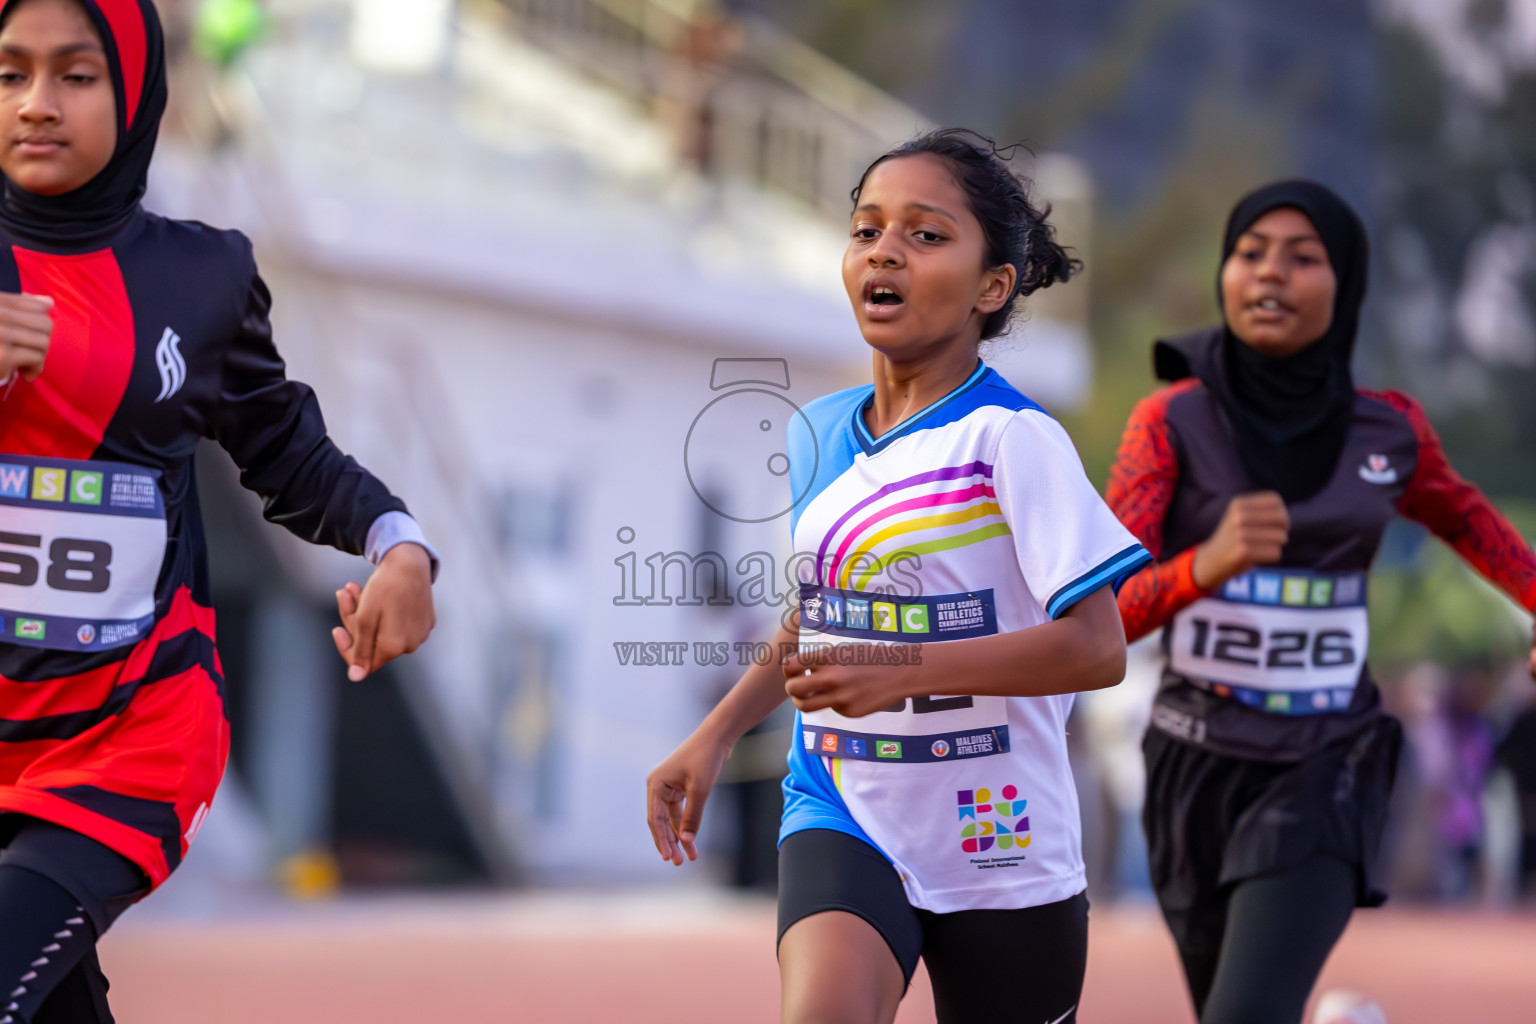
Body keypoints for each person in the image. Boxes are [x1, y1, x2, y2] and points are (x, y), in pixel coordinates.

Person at [646, 128, 1150, 1024]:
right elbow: (821, 614)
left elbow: (1097, 646)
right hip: (842, 806)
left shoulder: (1012, 440)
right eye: (867, 228)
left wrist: (906, 670)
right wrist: (720, 732)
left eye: (925, 234)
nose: (884, 249)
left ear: (992, 286)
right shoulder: (816, 434)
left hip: (1001, 838)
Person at [0, 1, 437, 1020]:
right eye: (8, 73)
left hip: (124, 737)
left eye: (76, 74)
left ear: (140, 87)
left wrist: (399, 543)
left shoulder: (199, 278)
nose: (35, 104)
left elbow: (286, 447)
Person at [1106, 179, 1536, 1024]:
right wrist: (1207, 564)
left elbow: (1476, 526)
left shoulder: (1389, 432)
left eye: (1303, 259)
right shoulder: (1169, 424)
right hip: (1191, 766)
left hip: (1324, 762)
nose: (1270, 275)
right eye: (1250, 253)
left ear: (1346, 286)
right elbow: (1107, 613)